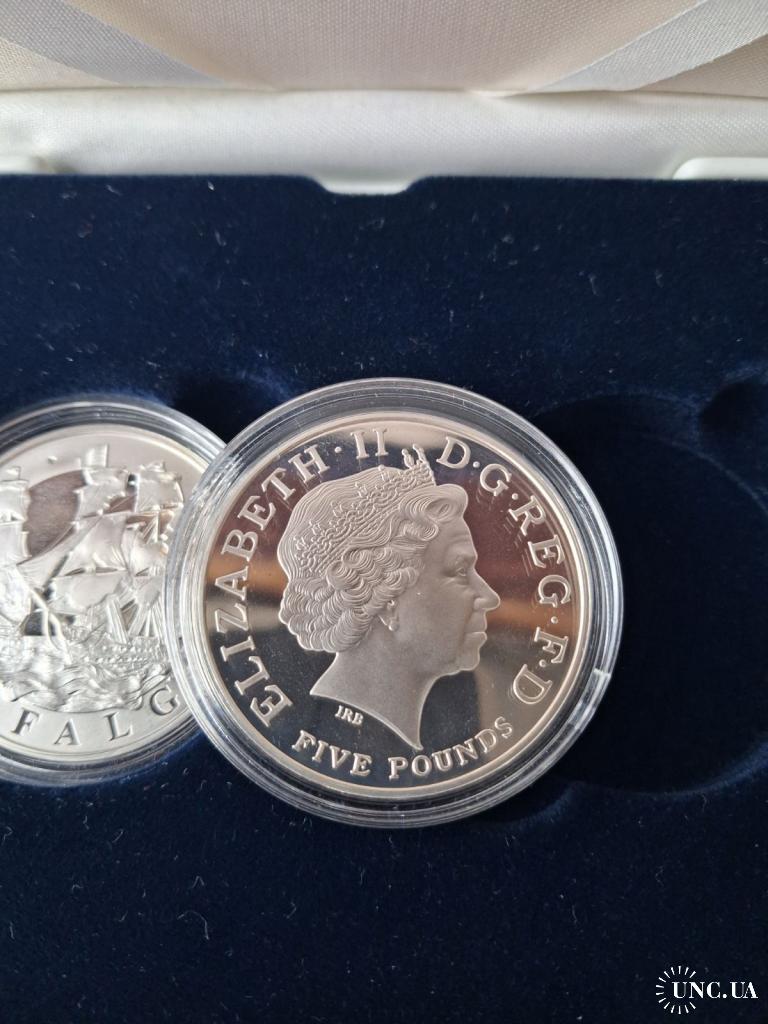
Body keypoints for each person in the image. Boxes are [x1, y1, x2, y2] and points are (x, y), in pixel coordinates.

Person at [277, 446, 499, 749]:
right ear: (387, 602)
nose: (489, 597)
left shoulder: (444, 718)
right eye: (460, 571)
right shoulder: (330, 732)